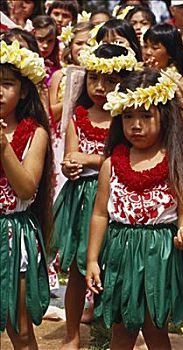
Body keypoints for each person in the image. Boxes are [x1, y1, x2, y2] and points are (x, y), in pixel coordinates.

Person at [85, 67, 183, 349]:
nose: (136, 125)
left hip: (158, 255)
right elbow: (100, 214)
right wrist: (92, 260)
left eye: (146, 116)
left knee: (155, 327)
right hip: (121, 253)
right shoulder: (111, 164)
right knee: (121, 330)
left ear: (165, 116)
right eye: (128, 117)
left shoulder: (178, 163)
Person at [53, 43, 138, 350]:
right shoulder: (78, 115)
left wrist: (87, 160)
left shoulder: (126, 119)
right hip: (81, 197)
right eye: (94, 79)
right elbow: (69, 155)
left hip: (114, 198)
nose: (100, 87)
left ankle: (107, 335)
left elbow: (123, 158)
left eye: (111, 80)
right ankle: (72, 334)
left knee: (110, 268)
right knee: (78, 268)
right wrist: (70, 166)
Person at [0, 40, 53, 349]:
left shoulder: (36, 133)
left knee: (19, 328)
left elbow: (26, 187)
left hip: (12, 233)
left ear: (22, 91)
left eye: (6, 84)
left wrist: (4, 148)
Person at [33, 15, 61, 87]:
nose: (45, 45)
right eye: (40, 39)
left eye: (50, 41)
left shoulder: (59, 69)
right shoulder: (22, 65)